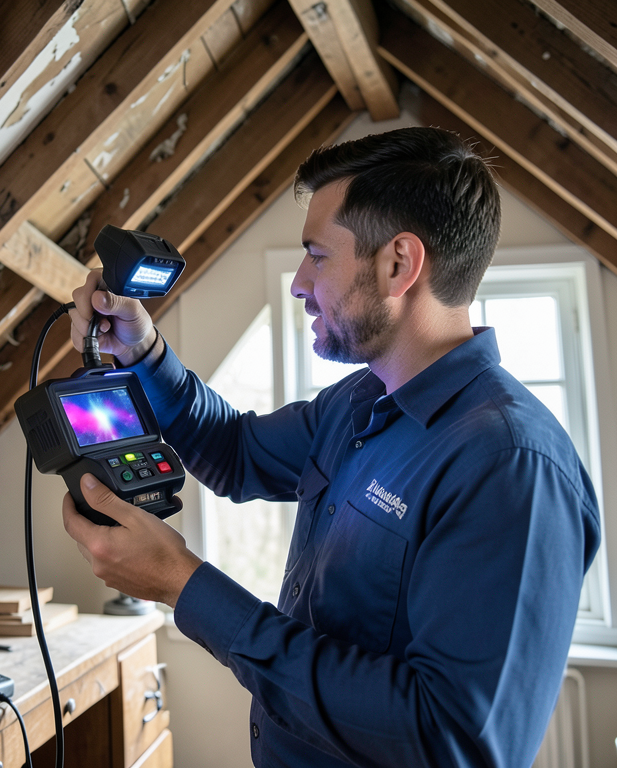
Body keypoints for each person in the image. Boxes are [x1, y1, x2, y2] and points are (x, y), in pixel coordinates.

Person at [62, 126, 600, 767]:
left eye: (317, 255)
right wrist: (144, 354)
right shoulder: (357, 403)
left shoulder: (510, 466)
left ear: (399, 263)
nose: (297, 281)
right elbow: (237, 452)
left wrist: (186, 586)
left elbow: (449, 738)